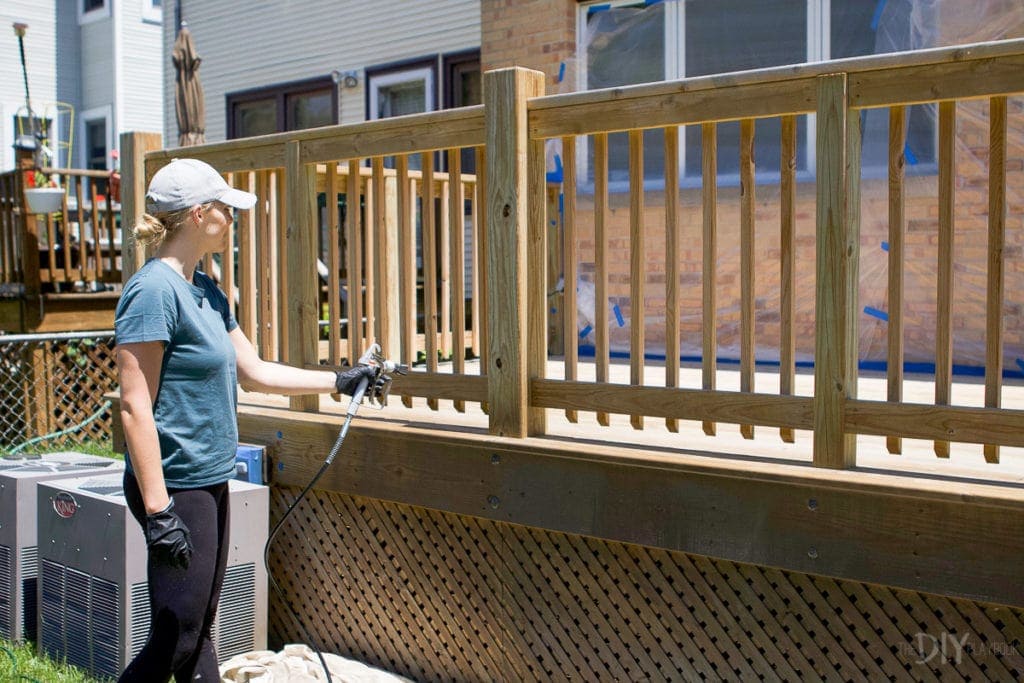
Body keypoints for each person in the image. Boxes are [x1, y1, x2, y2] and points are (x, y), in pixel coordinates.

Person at [114, 158, 376, 682]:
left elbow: (253, 372)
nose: (233, 219)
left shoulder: (206, 290)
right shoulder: (153, 292)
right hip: (175, 486)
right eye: (226, 210)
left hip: (210, 478)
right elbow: (133, 404)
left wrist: (340, 380)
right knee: (176, 635)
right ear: (197, 215)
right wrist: (159, 508)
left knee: (197, 629)